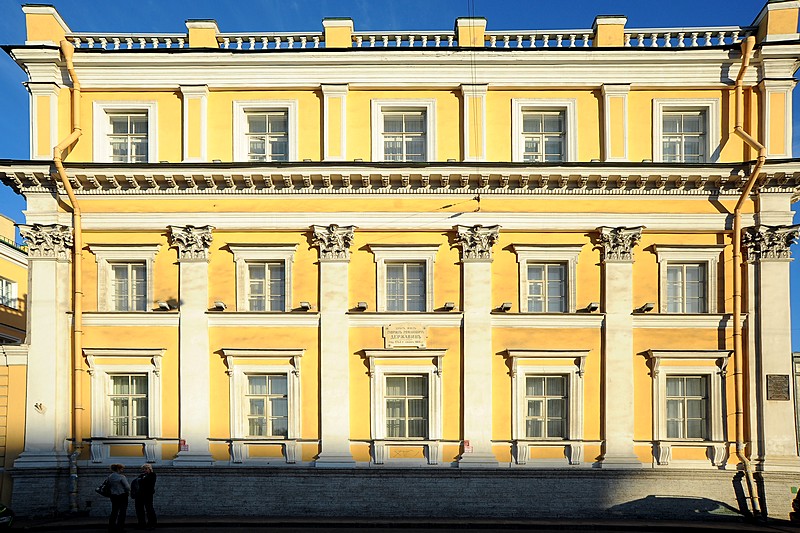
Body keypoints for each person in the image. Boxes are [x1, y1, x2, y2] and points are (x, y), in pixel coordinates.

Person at [105, 464, 130, 533]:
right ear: (118, 469)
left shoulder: (110, 477)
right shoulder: (121, 476)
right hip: (122, 495)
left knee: (114, 511)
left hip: (113, 496)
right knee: (122, 512)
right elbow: (127, 487)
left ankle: (111, 527)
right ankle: (120, 527)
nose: (123, 470)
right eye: (122, 469)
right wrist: (127, 491)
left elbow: (108, 485)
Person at [133, 464, 157, 530]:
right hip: (139, 495)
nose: (144, 470)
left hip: (147, 495)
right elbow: (136, 482)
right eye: (143, 469)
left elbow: (147, 482)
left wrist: (140, 480)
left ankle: (152, 524)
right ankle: (141, 524)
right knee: (139, 510)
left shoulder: (152, 475)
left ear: (149, 469)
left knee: (149, 509)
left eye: (145, 469)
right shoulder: (141, 475)